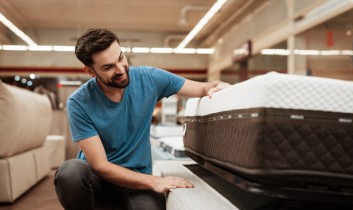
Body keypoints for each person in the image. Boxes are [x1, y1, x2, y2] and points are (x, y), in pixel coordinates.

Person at [54, 28, 230, 210]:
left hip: (136, 182)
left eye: (121, 58)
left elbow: (204, 88)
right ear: (90, 71)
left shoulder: (149, 78)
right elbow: (100, 165)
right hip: (98, 182)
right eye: (108, 67)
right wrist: (155, 181)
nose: (121, 69)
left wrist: (219, 89)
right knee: (70, 173)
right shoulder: (79, 102)